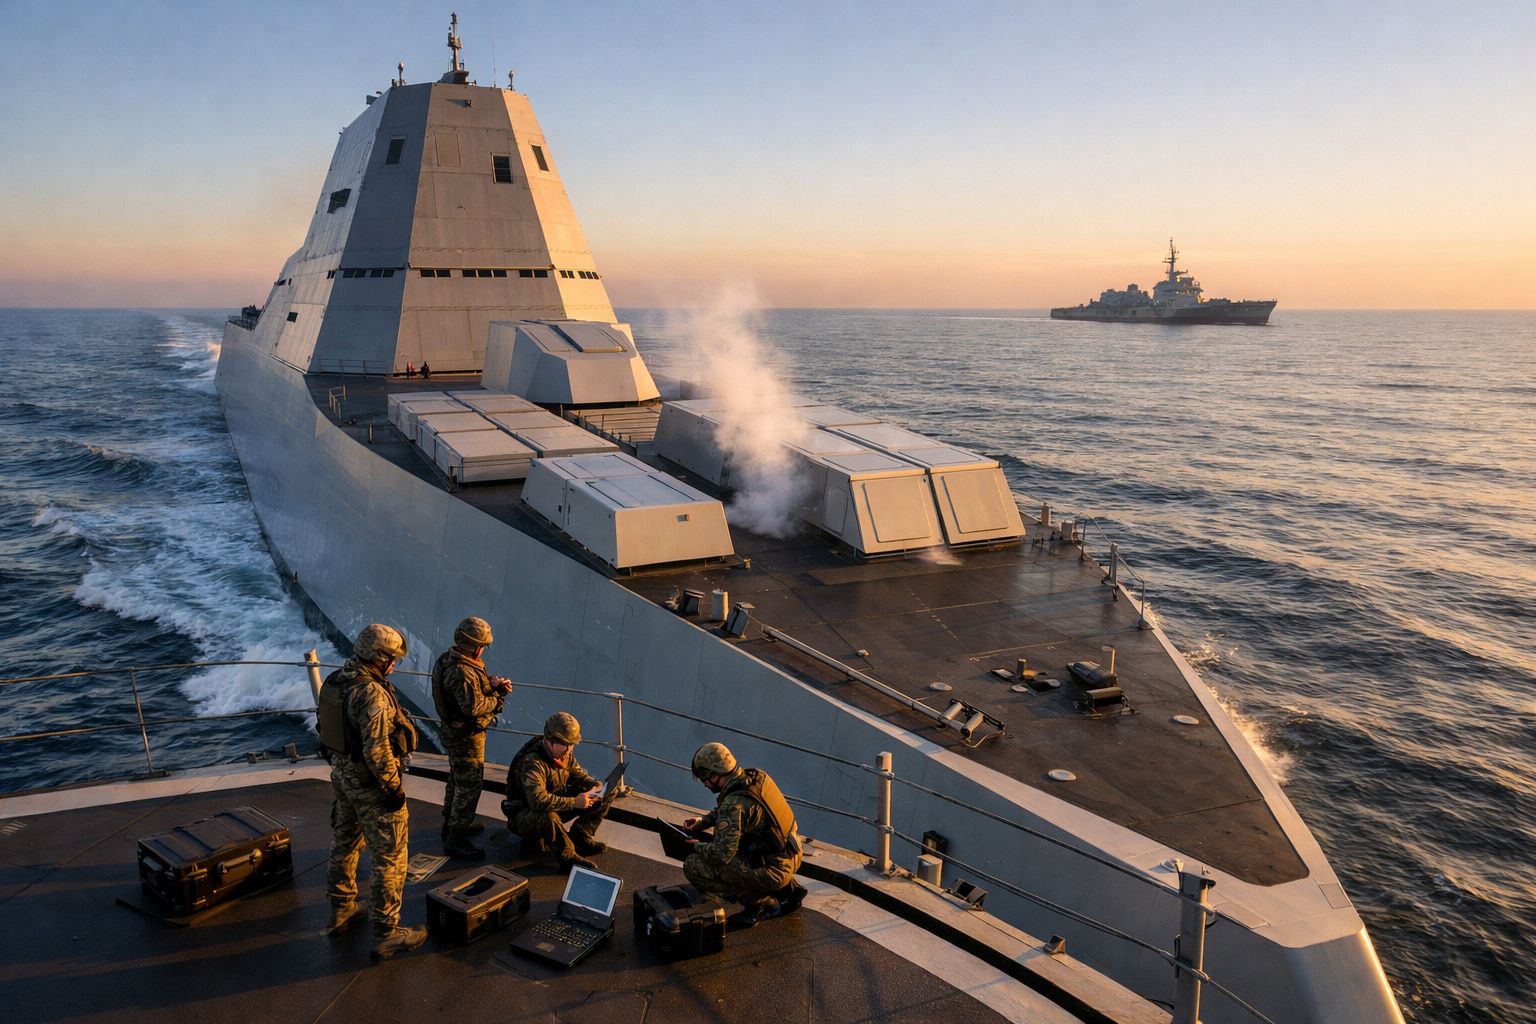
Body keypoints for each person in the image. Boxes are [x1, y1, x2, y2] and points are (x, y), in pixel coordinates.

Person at [316, 623, 428, 960]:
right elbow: (377, 751)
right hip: (371, 786)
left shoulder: (336, 681)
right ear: (379, 658)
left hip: (343, 779)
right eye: (392, 658)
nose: (394, 664)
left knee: (345, 841)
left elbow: (324, 731)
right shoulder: (372, 694)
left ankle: (341, 909)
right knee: (389, 859)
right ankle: (387, 933)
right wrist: (394, 790)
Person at [683, 742, 807, 928]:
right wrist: (704, 821)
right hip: (791, 854)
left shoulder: (733, 805)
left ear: (715, 775)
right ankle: (787, 890)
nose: (705, 785)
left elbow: (721, 855)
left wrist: (696, 846)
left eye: (705, 779)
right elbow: (745, 812)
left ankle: (761, 904)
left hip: (773, 871)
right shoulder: (757, 778)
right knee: (738, 840)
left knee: (694, 866)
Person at [430, 615, 512, 860]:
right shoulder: (462, 672)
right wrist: (498, 695)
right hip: (466, 738)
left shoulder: (448, 660)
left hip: (455, 733)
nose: (484, 649)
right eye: (482, 645)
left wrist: (489, 683)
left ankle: (452, 822)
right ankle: (456, 838)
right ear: (474, 646)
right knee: (469, 786)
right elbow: (474, 707)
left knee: (456, 780)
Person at [502, 712, 614, 870]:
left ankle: (581, 835)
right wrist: (575, 802)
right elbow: (537, 801)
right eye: (565, 744)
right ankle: (567, 857)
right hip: (524, 814)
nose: (569, 749)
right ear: (550, 740)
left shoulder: (563, 753)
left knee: (607, 791)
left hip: (550, 803)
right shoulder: (533, 762)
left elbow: (576, 773)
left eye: (572, 744)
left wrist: (594, 785)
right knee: (549, 817)